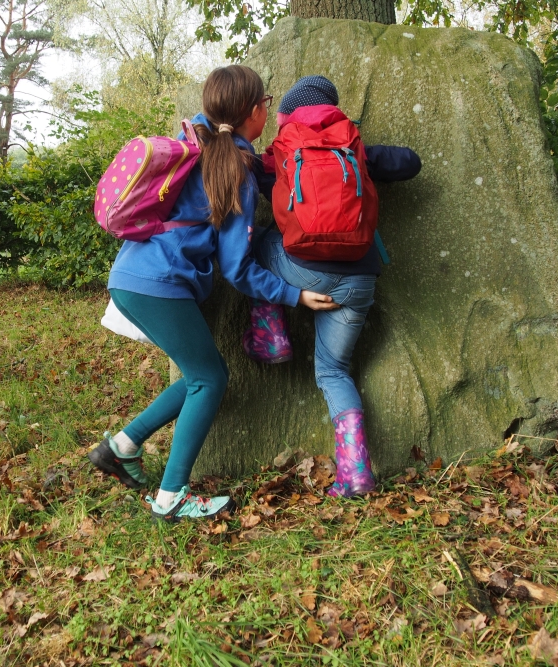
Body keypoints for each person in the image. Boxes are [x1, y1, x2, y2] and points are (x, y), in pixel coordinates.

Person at [88, 65, 339, 523]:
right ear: (254, 112)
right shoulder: (235, 169)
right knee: (211, 379)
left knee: (198, 374)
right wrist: (294, 295)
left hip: (132, 276)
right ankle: (171, 497)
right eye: (265, 103)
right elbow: (238, 269)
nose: (268, 109)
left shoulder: (198, 142)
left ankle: (121, 447)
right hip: (158, 285)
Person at [246, 75, 422, 498]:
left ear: (286, 114)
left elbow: (247, 171)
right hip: (359, 280)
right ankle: (356, 474)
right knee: (333, 371)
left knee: (257, 245)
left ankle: (271, 335)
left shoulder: (284, 150)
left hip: (304, 272)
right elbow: (411, 162)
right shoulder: (354, 144)